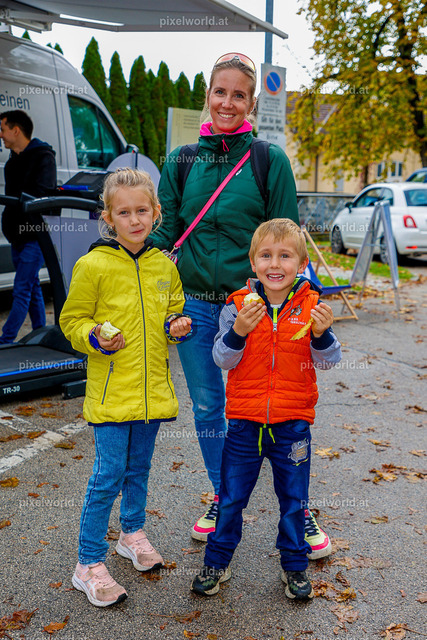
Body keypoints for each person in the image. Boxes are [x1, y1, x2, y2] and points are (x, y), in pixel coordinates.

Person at [152, 52, 331, 558]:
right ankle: (223, 496)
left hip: (254, 307)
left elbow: (286, 241)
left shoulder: (268, 160)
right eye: (220, 92)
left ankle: (298, 508)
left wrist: (295, 306)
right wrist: (120, 247)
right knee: (209, 407)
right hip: (193, 306)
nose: (227, 102)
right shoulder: (181, 160)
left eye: (238, 95)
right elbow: (165, 232)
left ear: (251, 103)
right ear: (207, 96)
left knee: (276, 408)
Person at [59, 169, 192, 608]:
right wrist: (95, 336)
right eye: (123, 212)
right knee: (107, 476)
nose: (134, 220)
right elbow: (71, 321)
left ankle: (132, 533)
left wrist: (176, 326)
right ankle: (88, 562)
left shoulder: (164, 266)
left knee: (138, 470)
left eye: (142, 211)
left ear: (156, 213)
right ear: (107, 217)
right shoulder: (93, 265)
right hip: (111, 395)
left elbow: (172, 312)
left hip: (152, 394)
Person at [191, 218, 342, 600]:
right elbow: (222, 358)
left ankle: (294, 566)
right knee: (230, 499)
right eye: (266, 255)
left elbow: (328, 361)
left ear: (302, 263)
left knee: (294, 501)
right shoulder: (238, 306)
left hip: (293, 427)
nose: (275, 264)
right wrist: (238, 331)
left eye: (285, 256)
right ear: (253, 262)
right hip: (244, 425)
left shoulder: (312, 307)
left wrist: (321, 334)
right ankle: (217, 563)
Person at [0, 110, 56, 344]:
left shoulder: (43, 157)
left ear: (16, 130)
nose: (0, 135)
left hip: (35, 235)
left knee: (21, 288)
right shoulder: (11, 162)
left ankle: (6, 341)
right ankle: (40, 334)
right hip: (16, 236)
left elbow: (43, 194)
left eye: (2, 129)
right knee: (32, 287)